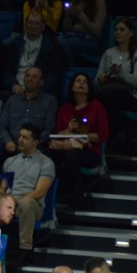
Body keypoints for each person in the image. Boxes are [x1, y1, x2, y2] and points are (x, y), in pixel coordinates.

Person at [0, 123, 56, 265]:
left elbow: (39, 192)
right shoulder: (10, 161)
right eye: (20, 136)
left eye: (25, 137)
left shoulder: (46, 163)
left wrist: (14, 202)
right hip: (9, 202)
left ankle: (25, 249)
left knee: (26, 204)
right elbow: (2, 188)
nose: (20, 140)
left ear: (35, 142)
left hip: (32, 205)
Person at [50, 73, 109, 209]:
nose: (81, 83)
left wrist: (83, 136)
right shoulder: (65, 109)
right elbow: (58, 134)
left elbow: (103, 135)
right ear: (72, 87)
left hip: (89, 150)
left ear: (89, 88)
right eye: (78, 81)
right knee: (47, 155)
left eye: (85, 82)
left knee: (72, 156)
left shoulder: (96, 107)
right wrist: (68, 129)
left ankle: (77, 197)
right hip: (65, 146)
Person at [95, 18, 137, 154]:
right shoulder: (108, 53)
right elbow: (96, 82)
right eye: (116, 30)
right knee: (100, 99)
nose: (118, 32)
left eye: (122, 29)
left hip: (131, 97)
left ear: (131, 33)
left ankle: (110, 139)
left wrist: (121, 73)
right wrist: (102, 78)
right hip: (109, 92)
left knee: (111, 99)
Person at [0, 67, 58, 154]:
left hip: (36, 147)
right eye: (27, 76)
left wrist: (30, 143)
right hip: (12, 145)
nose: (30, 79)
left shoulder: (50, 101)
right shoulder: (12, 100)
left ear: (41, 82)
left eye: (34, 77)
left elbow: (49, 130)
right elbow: (2, 126)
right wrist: (8, 141)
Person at [7, 10, 63, 98]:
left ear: (43, 26)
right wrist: (12, 85)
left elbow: (53, 76)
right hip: (16, 90)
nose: (33, 26)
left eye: (37, 23)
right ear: (25, 24)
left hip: (39, 91)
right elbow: (7, 70)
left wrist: (37, 90)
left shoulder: (52, 47)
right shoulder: (15, 43)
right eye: (30, 23)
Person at [57, 0, 107, 67]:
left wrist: (80, 14)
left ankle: (71, 70)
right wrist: (68, 16)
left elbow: (96, 31)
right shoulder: (75, 1)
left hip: (92, 41)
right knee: (55, 40)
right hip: (73, 36)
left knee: (64, 44)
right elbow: (67, 29)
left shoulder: (100, 3)